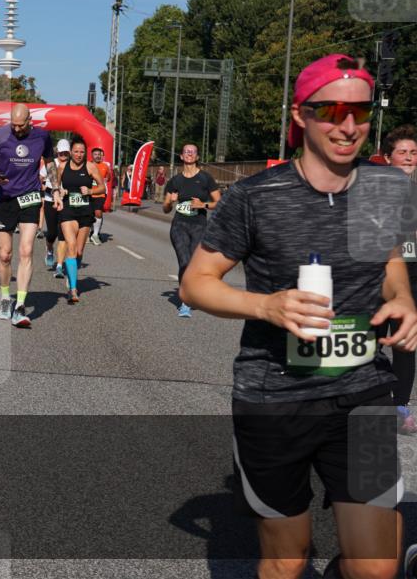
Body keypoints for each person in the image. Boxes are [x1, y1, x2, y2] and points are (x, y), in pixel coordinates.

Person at [182, 53, 413, 579]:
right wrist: (266, 304)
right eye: (330, 110)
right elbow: (195, 284)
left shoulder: (382, 190)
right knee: (287, 560)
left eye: (360, 111)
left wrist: (402, 297)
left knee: (378, 566)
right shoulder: (253, 197)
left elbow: (390, 261)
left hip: (363, 389)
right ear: (300, 115)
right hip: (275, 397)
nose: (348, 125)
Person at [0, 103, 59, 328]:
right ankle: (6, 299)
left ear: (29, 121)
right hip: (4, 197)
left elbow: (50, 164)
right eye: (13, 125)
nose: (16, 129)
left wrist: (56, 190)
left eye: (20, 125)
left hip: (30, 196)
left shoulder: (43, 137)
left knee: (26, 250)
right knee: (5, 254)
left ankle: (21, 305)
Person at [382, 124, 417, 433]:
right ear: (387, 157)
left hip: (412, 279)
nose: (408, 157)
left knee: (406, 345)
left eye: (413, 152)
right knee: (369, 342)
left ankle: (400, 407)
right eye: (402, 152)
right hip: (377, 278)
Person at [163, 144, 221, 317]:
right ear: (181, 156)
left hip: (199, 226)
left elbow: (219, 202)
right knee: (185, 262)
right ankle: (185, 301)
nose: (189, 153)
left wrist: (202, 204)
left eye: (193, 151)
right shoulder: (175, 181)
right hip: (179, 225)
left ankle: (193, 293)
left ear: (196, 157)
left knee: (193, 265)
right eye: (186, 151)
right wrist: (169, 202)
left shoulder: (205, 179)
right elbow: (165, 209)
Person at [57, 137, 104, 304]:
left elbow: (102, 187)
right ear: (70, 152)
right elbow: (56, 186)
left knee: (78, 251)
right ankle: (73, 289)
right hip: (68, 211)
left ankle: (72, 274)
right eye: (76, 151)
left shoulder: (90, 167)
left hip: (85, 212)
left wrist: (90, 191)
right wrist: (60, 192)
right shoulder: (62, 166)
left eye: (82, 152)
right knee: (70, 246)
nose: (78, 154)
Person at [44, 140, 71, 277]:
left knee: (63, 233)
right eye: (61, 153)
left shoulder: (71, 165)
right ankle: (49, 250)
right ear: (57, 152)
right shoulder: (50, 162)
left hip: (66, 203)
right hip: (50, 201)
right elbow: (40, 179)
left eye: (66, 153)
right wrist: (52, 189)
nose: (63, 155)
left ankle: (60, 265)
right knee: (52, 233)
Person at [89, 147, 112, 245]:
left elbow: (109, 177)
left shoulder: (105, 166)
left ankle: (95, 234)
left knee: (98, 212)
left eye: (99, 154)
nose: (98, 156)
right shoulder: (88, 165)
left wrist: (104, 181)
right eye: (95, 154)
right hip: (89, 193)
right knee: (89, 215)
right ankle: (91, 232)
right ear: (92, 155)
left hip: (101, 193)